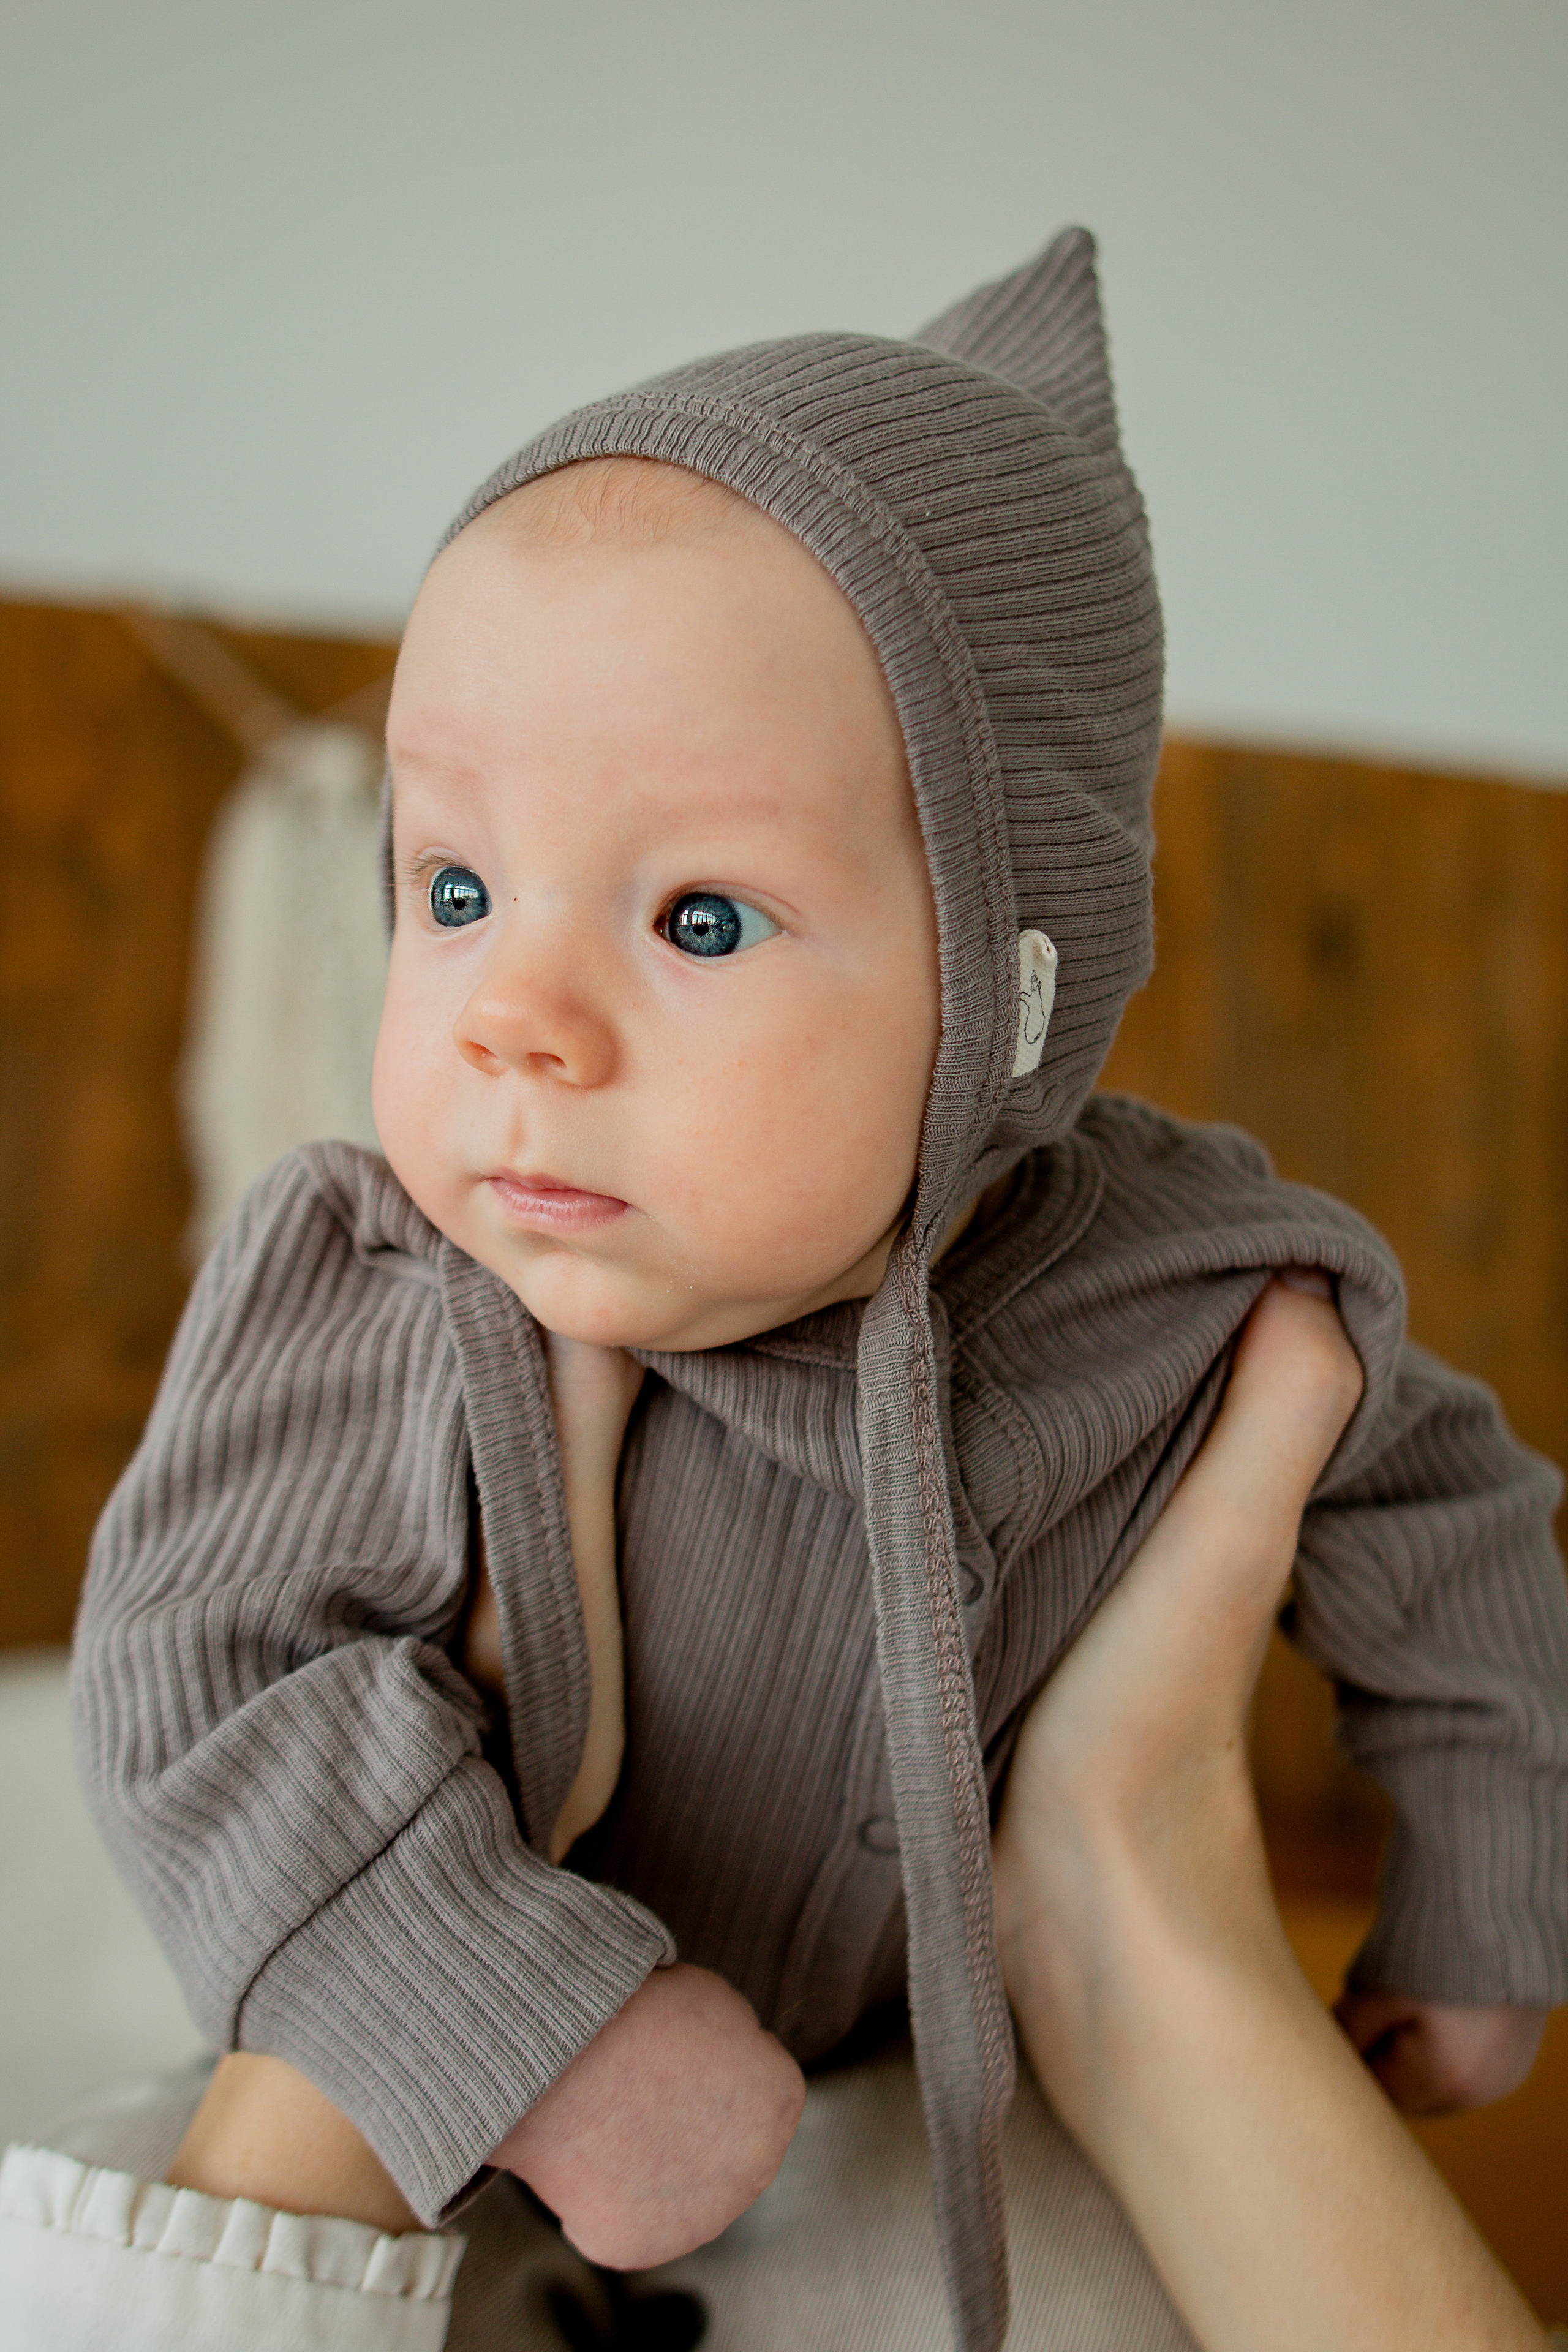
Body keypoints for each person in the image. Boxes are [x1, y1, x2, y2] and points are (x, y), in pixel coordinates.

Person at [4, 228, 1563, 2350]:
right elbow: (203, 1680)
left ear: (1018, 992)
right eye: (456, 888)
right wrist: (548, 2031)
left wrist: (1487, 1871)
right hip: (454, 2103)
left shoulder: (1192, 1291)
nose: (516, 1019)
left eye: (703, 919)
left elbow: (1455, 1529)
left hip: (959, 2113)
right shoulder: (375, 1285)